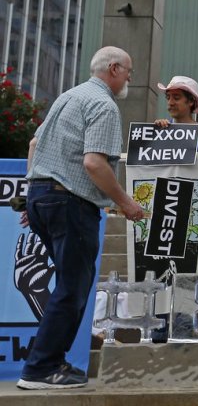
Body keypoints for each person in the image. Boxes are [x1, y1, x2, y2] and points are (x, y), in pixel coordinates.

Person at [18, 46, 144, 389]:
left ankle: (48, 363)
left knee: (68, 287)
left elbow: (34, 143)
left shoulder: (68, 96)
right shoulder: (103, 104)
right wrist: (126, 203)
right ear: (114, 69)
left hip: (45, 197)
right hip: (71, 203)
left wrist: (36, 196)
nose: (131, 78)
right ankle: (41, 368)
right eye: (129, 71)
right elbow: (93, 163)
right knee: (72, 290)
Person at [153, 76, 198, 183]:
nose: (170, 102)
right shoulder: (160, 131)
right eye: (168, 97)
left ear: (191, 101)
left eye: (176, 97)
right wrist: (153, 134)